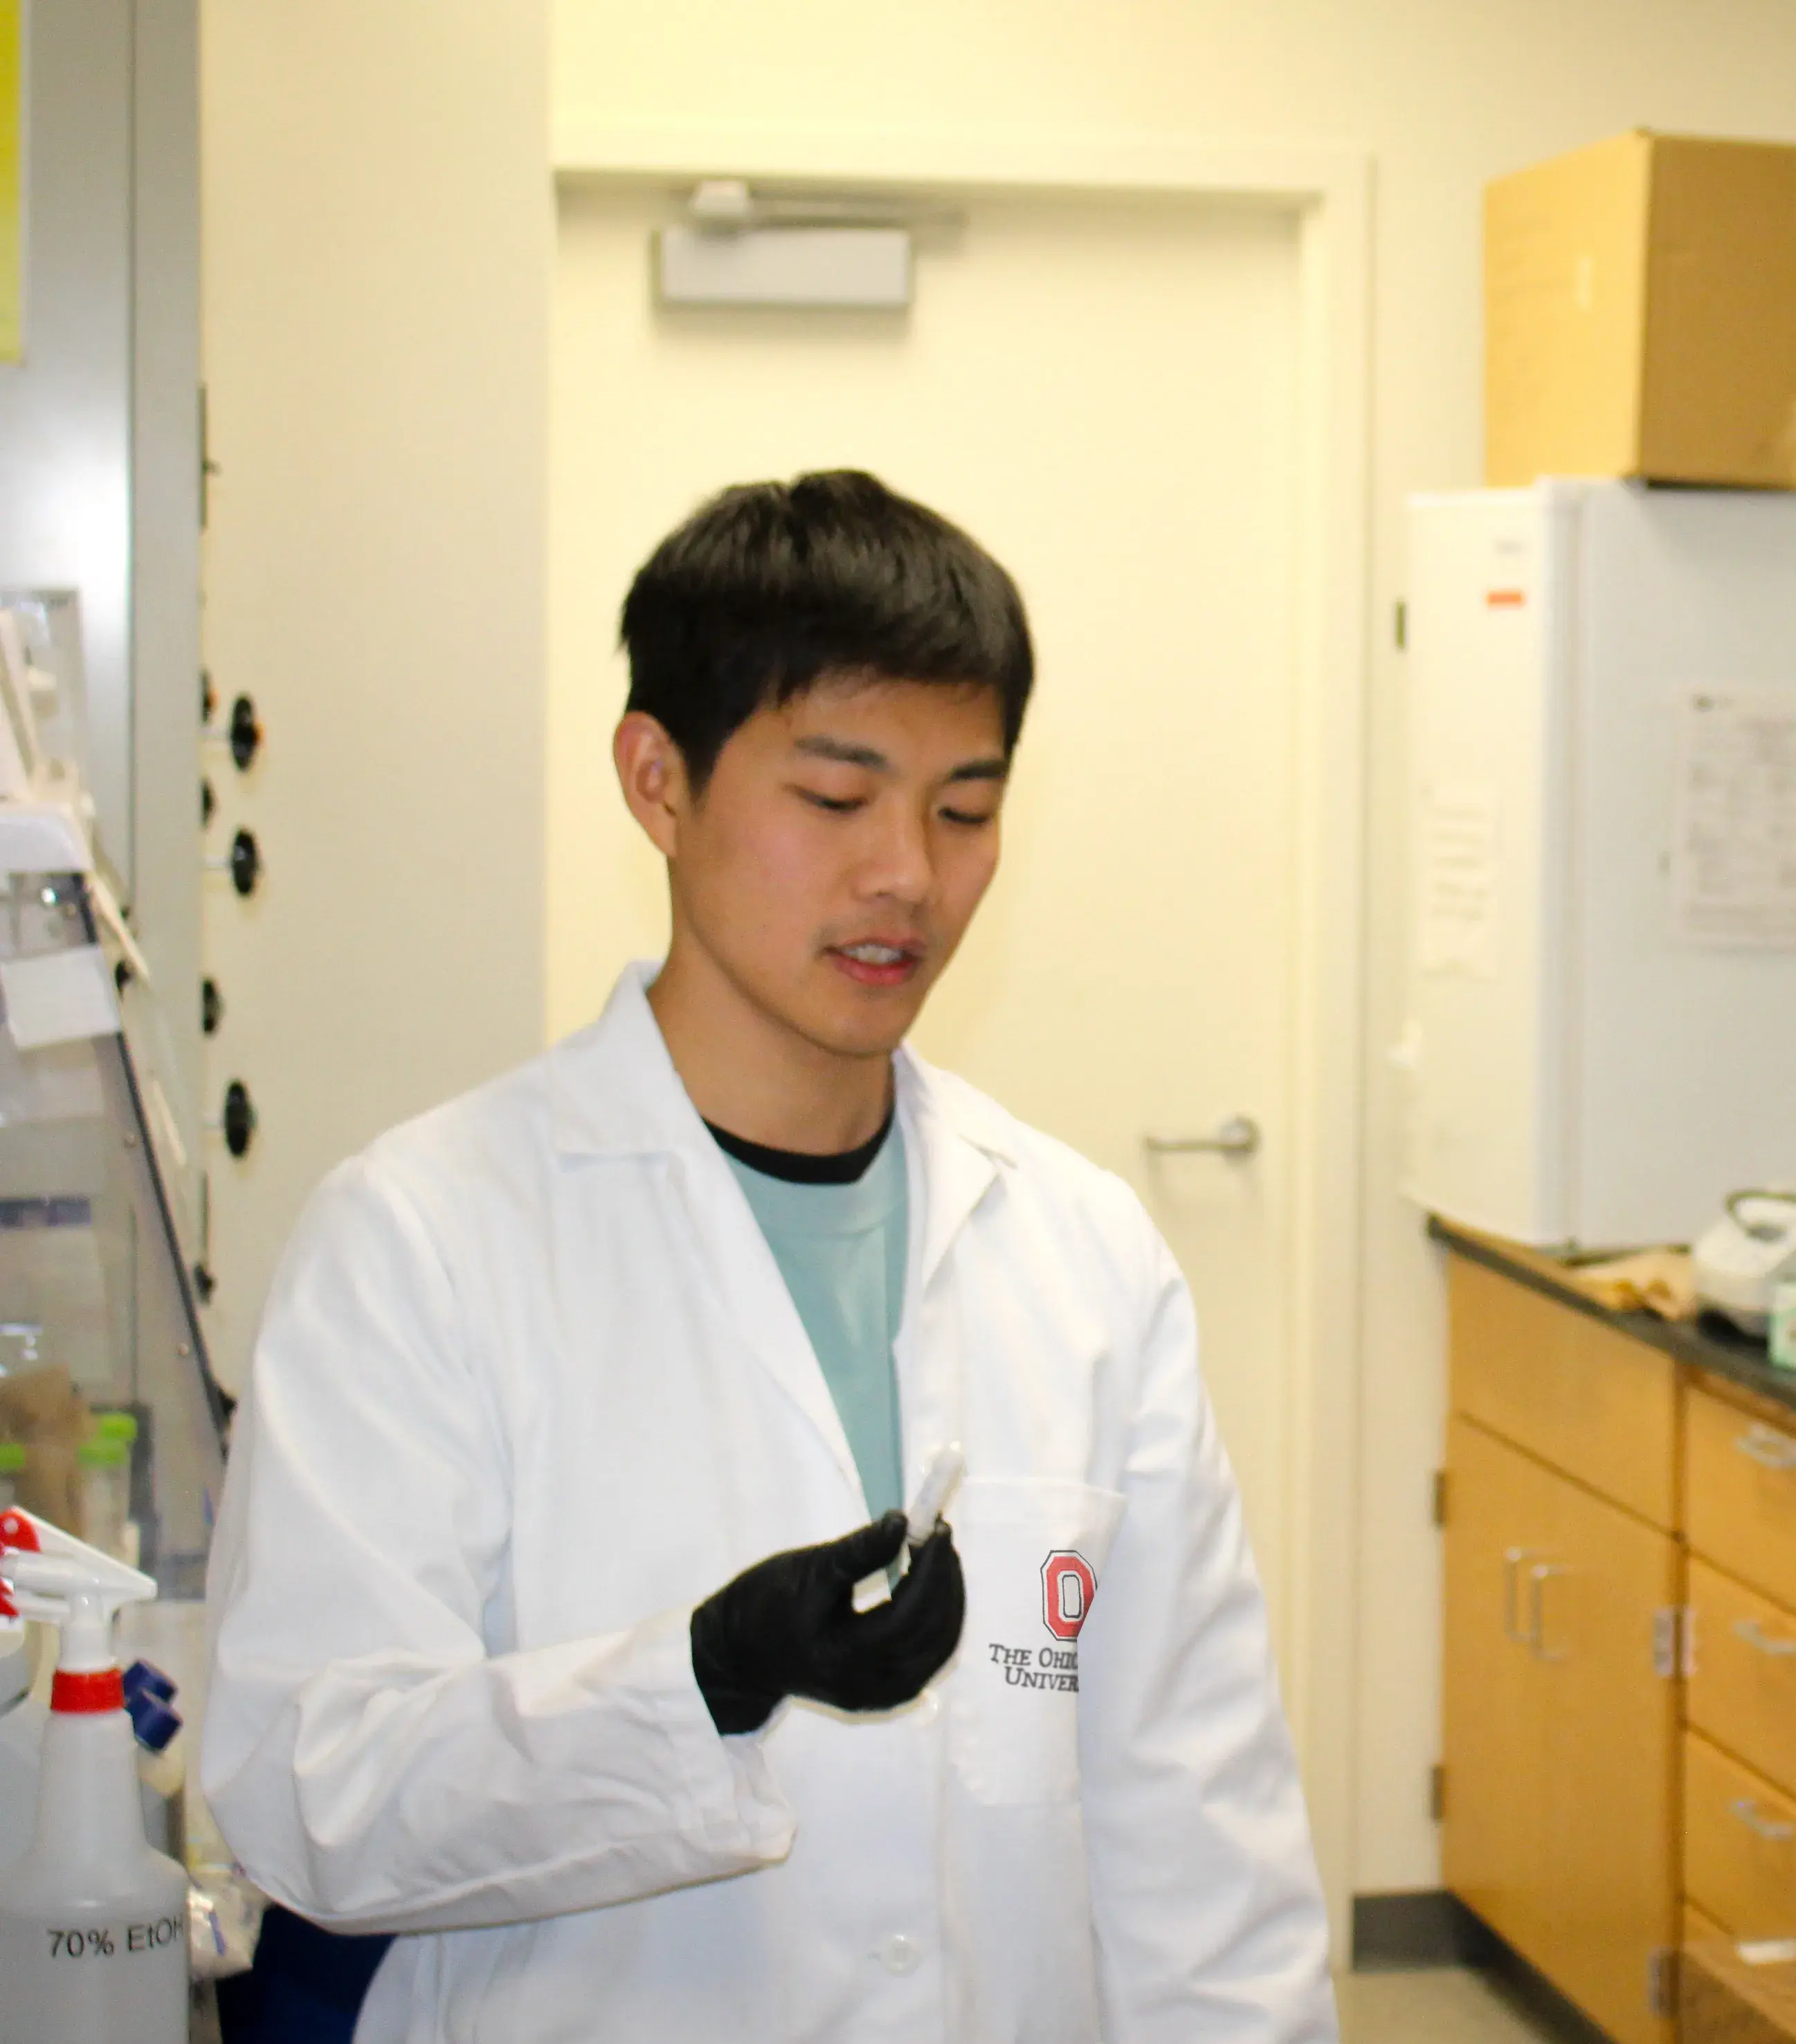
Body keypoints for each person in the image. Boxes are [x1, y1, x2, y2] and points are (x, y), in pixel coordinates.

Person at [201, 471, 1338, 2043]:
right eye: (835, 798)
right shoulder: (425, 1239)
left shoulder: (1084, 1260)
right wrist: (695, 1684)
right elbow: (305, 1788)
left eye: (966, 808)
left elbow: (1200, 1839)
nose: (910, 879)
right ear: (657, 781)